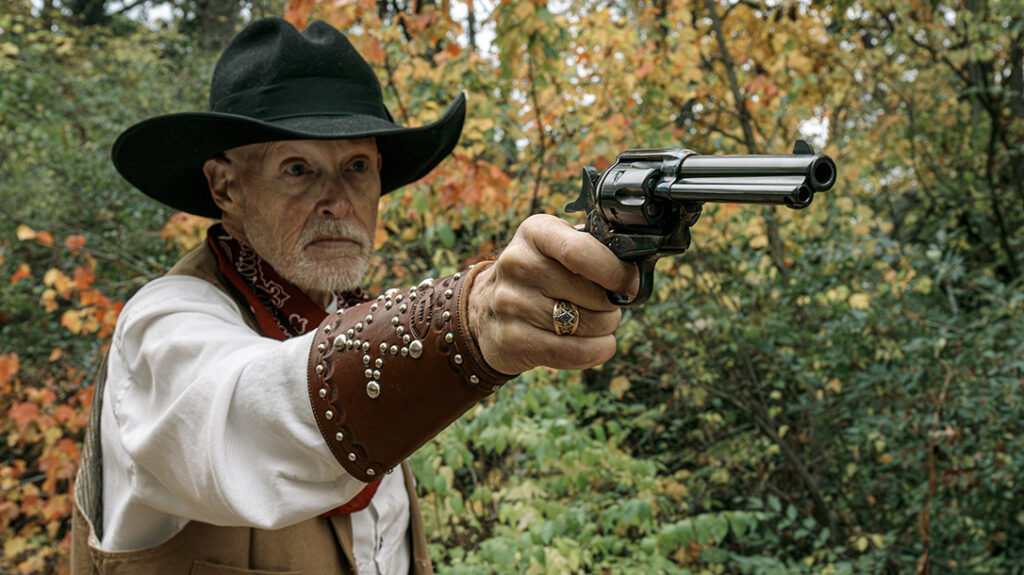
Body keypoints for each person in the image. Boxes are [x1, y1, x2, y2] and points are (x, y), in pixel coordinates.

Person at [71, 17, 637, 575]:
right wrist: (469, 318)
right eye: (298, 169)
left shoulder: (346, 319)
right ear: (226, 186)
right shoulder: (163, 322)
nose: (338, 201)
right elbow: (248, 414)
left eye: (357, 167)